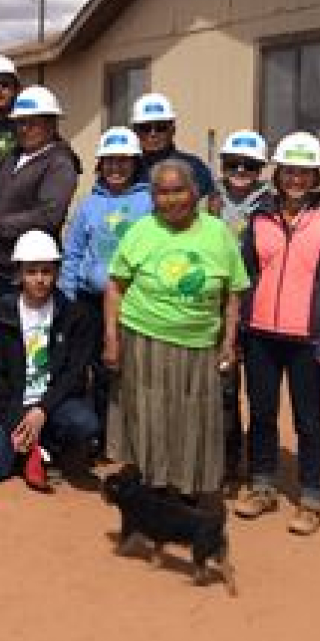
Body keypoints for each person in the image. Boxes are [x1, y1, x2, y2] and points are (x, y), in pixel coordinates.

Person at [103, 158, 249, 500]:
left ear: (195, 192)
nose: (171, 199)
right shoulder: (141, 230)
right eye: (163, 192)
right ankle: (148, 480)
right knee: (146, 411)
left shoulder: (218, 233)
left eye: (179, 190)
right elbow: (115, 285)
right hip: (144, 337)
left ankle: (187, 486)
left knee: (193, 416)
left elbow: (234, 294)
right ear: (153, 197)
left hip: (198, 343)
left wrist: (229, 340)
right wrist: (111, 338)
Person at [235, 132, 320, 536]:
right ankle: (263, 485)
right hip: (261, 336)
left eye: (304, 172)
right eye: (289, 170)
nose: (295, 179)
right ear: (278, 172)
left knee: (308, 419)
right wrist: (240, 328)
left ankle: (311, 496)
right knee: (263, 413)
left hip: (308, 340)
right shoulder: (259, 218)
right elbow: (245, 273)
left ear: (316, 175)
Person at [0, 230, 101, 489]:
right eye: (32, 272)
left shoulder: (76, 316)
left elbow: (74, 375)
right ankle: (32, 449)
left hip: (55, 404)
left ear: (56, 273)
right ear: (19, 274)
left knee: (85, 423)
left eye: (46, 271)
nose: (40, 279)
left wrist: (42, 410)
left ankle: (48, 444)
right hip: (12, 405)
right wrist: (19, 417)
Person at [58, 126, 153, 449]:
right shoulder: (88, 204)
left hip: (134, 303)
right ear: (100, 164)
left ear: (136, 163)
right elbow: (72, 254)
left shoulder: (148, 202)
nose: (116, 168)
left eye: (124, 161)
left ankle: (127, 438)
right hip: (88, 301)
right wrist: (68, 299)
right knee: (90, 367)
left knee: (128, 371)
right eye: (110, 161)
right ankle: (95, 436)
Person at [205, 128, 272, 481]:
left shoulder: (271, 206)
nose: (241, 171)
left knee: (256, 390)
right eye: (233, 164)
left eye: (249, 165)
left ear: (260, 167)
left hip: (256, 307)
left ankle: (250, 463)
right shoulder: (209, 202)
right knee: (221, 385)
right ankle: (221, 456)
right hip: (215, 306)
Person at [0, 85, 80, 304]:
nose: (24, 129)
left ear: (51, 124)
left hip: (32, 272)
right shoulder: (12, 157)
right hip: (1, 267)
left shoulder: (60, 163)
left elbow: (49, 215)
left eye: (31, 123)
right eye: (20, 122)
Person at [129, 92, 216, 200]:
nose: (153, 134)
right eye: (145, 128)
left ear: (173, 130)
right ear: (135, 132)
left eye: (161, 127)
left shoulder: (195, 168)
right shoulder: (127, 169)